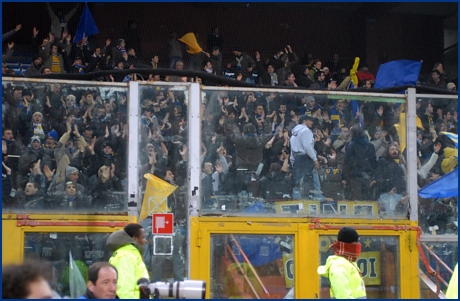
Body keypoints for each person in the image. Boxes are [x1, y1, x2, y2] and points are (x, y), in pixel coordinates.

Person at [317, 227, 366, 299]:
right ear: (347, 245)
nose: (358, 245)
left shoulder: (349, 263)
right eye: (355, 242)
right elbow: (343, 296)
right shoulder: (340, 266)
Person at [106, 223, 149, 299]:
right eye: (143, 237)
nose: (145, 241)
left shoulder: (131, 254)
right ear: (134, 238)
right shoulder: (125, 256)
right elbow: (124, 291)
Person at [290, 115, 319, 198]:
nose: (312, 122)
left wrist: (293, 163)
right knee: (306, 183)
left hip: (297, 159)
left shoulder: (294, 134)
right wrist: (315, 159)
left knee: (297, 184)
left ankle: (297, 203)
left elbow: (292, 151)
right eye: (310, 120)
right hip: (305, 159)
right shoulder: (306, 131)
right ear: (304, 121)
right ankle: (307, 203)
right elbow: (307, 146)